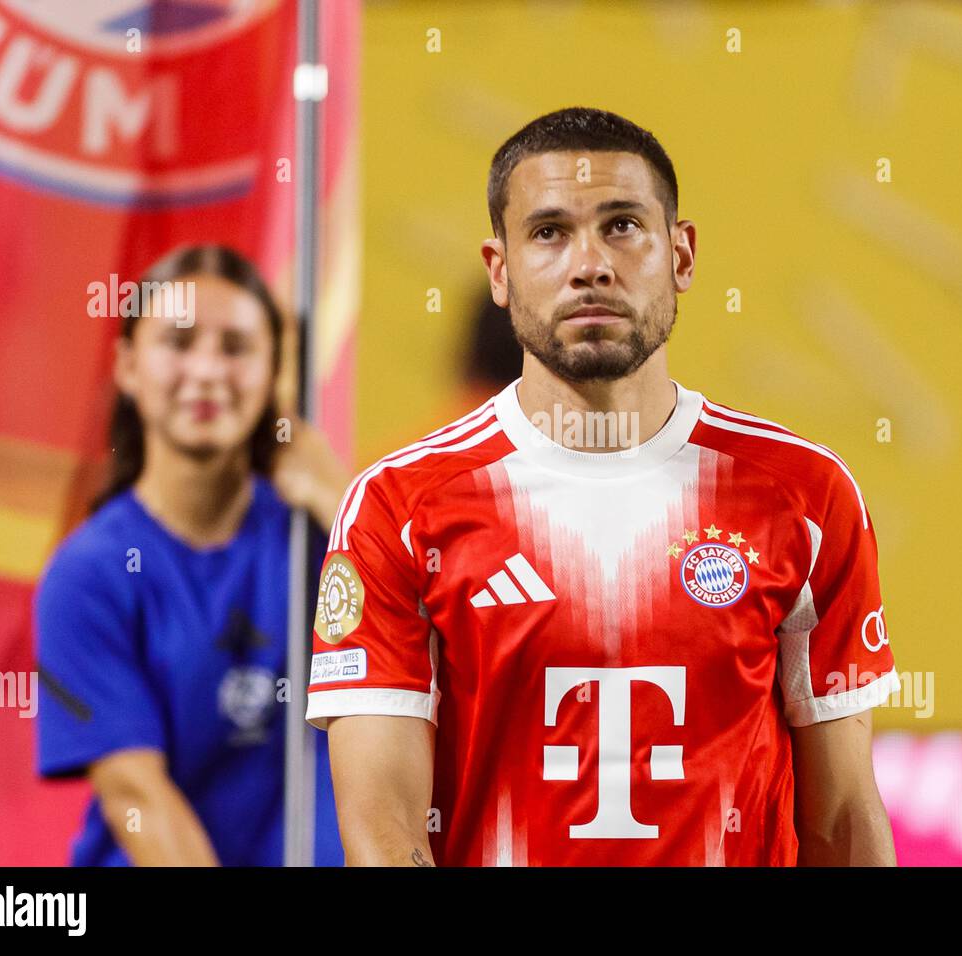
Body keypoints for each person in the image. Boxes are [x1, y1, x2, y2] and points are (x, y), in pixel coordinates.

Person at [306, 108, 900, 866]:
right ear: (500, 269)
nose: (590, 263)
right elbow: (384, 834)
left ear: (681, 255)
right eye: (549, 232)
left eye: (622, 226)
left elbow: (843, 816)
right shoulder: (395, 509)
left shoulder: (807, 496)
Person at [35, 245, 349, 865]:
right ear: (127, 367)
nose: (207, 371)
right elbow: (137, 796)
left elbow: (446, 651)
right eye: (178, 342)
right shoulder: (88, 574)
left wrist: (340, 498)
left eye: (236, 348)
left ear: (272, 375)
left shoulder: (322, 537)